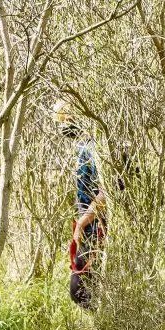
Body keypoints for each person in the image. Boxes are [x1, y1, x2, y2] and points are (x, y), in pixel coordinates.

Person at [54, 99, 106, 309]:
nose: (63, 128)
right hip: (88, 228)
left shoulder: (94, 148)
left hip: (96, 228)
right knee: (81, 290)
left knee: (80, 289)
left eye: (66, 120)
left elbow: (107, 191)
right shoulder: (84, 146)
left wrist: (84, 222)